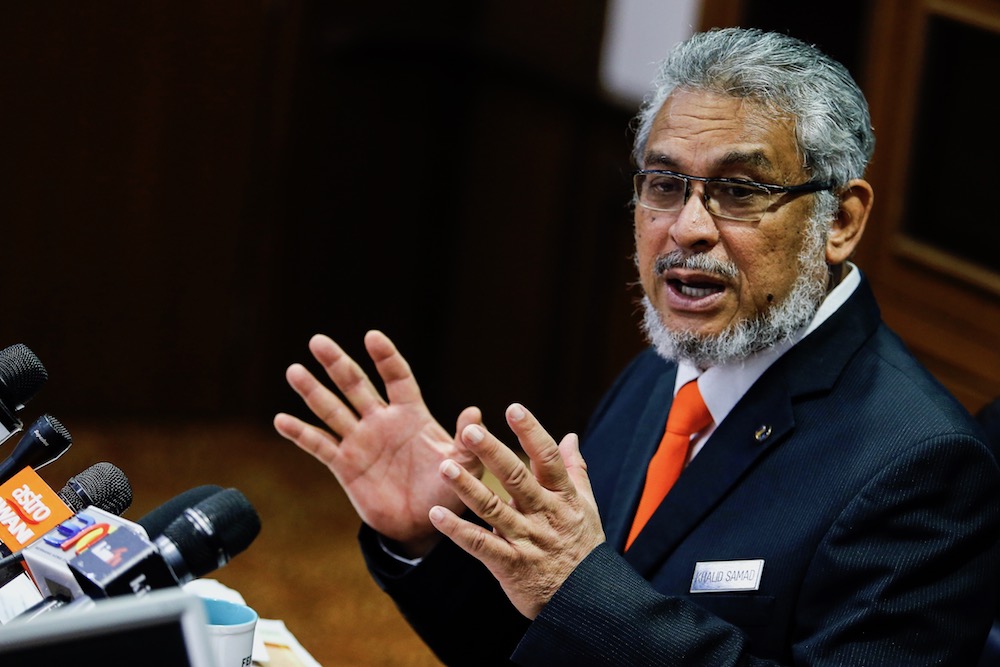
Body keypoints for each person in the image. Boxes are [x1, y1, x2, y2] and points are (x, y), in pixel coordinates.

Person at [273, 27, 1000, 665]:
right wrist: (432, 541)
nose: (686, 227)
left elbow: (588, 607)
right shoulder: (661, 373)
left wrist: (582, 588)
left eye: (740, 190)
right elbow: (553, 640)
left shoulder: (924, 468)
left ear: (839, 219)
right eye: (663, 183)